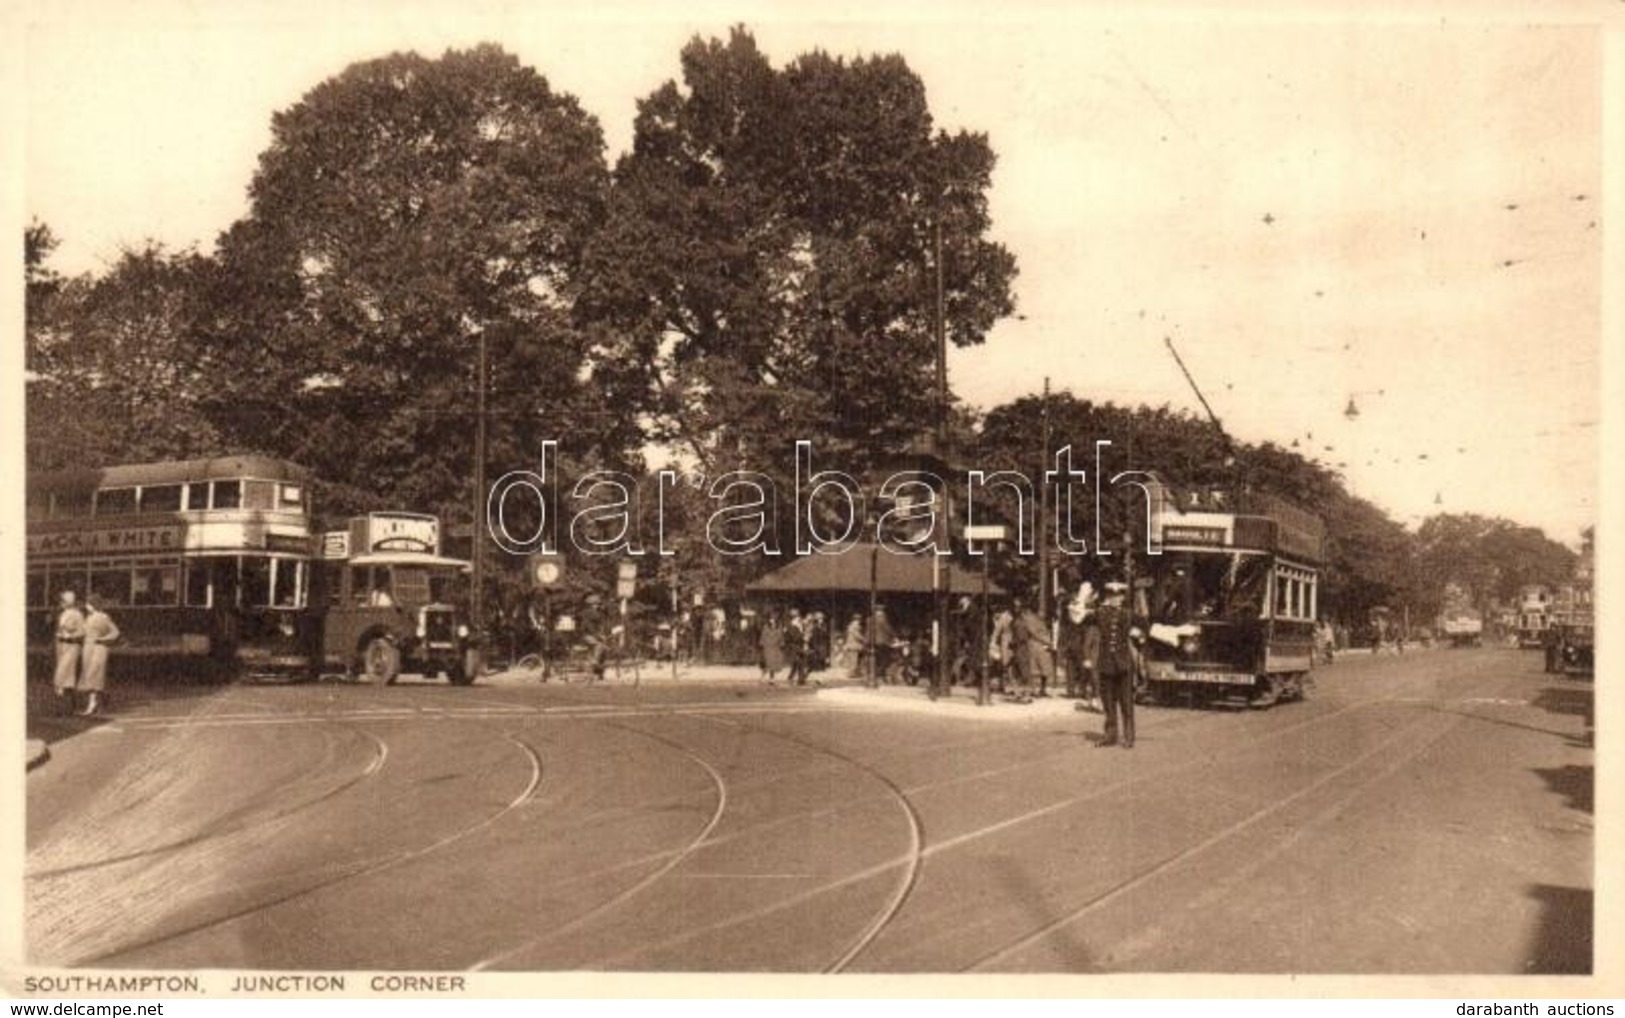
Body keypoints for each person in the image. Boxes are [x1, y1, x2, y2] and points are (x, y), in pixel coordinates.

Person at [1094, 581, 1141, 749]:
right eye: (1111, 596)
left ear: (1122, 597)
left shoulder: (1129, 614)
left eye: (1118, 596)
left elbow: (1146, 626)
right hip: (1106, 663)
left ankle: (1129, 737)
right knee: (1108, 703)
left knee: (1126, 703)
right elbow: (1079, 618)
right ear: (1108, 598)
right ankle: (1110, 735)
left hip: (1123, 665)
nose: (1115, 599)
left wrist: (1138, 634)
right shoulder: (1101, 613)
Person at [77, 595, 121, 716]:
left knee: (94, 676)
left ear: (92, 605)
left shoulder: (103, 617)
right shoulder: (89, 617)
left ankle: (94, 704)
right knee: (90, 676)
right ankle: (96, 703)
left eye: (88, 604)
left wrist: (102, 639)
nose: (86, 606)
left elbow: (115, 632)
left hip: (98, 649)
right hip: (89, 648)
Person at [53, 590, 86, 715]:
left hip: (71, 646)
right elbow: (59, 630)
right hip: (61, 646)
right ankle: (66, 707)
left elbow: (82, 632)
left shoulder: (77, 614)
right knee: (63, 675)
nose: (60, 603)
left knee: (63, 675)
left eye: (62, 601)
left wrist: (70, 636)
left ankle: (65, 707)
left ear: (68, 602)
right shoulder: (62, 614)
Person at [759, 613, 787, 684]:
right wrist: (761, 644)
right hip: (767, 647)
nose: (772, 620)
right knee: (766, 663)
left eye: (774, 619)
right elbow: (763, 635)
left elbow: (781, 636)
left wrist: (782, 643)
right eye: (771, 619)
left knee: (773, 665)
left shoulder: (779, 627)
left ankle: (772, 679)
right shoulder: (766, 626)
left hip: (775, 647)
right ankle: (762, 677)